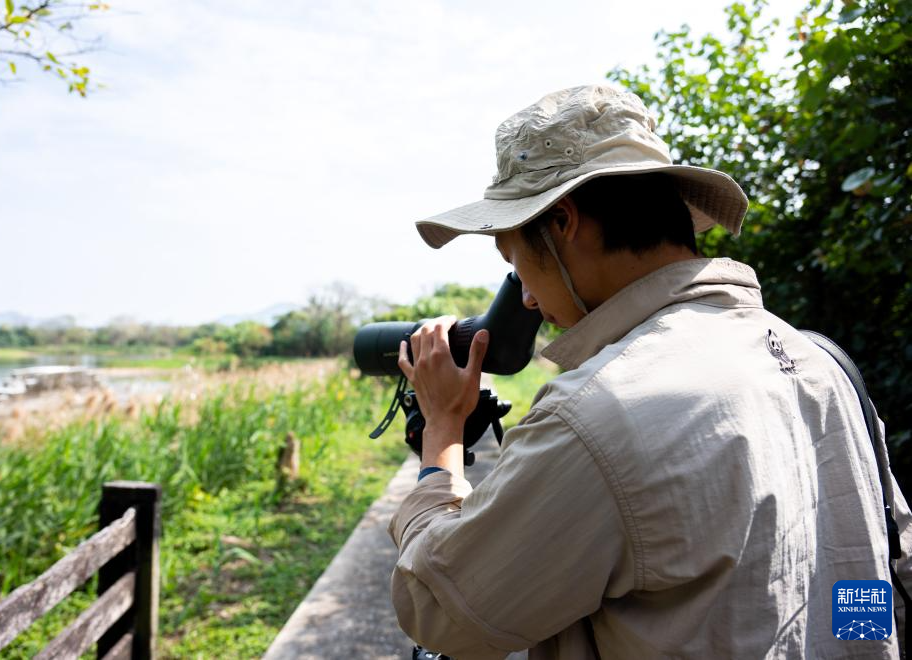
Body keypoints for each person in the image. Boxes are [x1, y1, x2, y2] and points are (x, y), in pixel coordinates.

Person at [388, 84, 912, 659]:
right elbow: (873, 561)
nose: (530, 301)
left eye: (514, 263)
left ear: (563, 221)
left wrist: (441, 435)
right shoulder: (821, 362)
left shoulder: (598, 412)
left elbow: (445, 612)